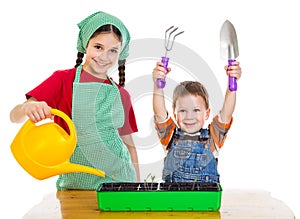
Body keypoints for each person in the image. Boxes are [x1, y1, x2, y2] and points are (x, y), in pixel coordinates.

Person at [10, 11, 140, 190]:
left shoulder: (121, 94)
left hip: (118, 184)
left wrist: (139, 189)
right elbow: (14, 116)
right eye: (98, 47)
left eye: (113, 51)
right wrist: (29, 107)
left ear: (120, 53)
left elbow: (129, 145)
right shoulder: (62, 81)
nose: (104, 57)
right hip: (75, 186)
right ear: (85, 45)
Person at [152, 61, 242, 183]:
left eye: (196, 110)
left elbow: (227, 114)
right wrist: (157, 85)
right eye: (183, 110)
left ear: (207, 113)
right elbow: (160, 113)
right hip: (174, 201)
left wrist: (232, 84)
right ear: (175, 114)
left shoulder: (212, 138)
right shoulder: (170, 136)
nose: (189, 116)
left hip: (203, 201)